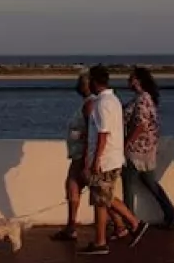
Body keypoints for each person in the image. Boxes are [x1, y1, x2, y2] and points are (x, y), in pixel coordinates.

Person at [78, 65, 149, 256]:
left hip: (106, 160)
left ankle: (133, 223)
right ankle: (101, 240)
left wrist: (95, 160)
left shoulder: (104, 103)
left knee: (103, 199)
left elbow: (103, 134)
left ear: (94, 81)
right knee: (102, 200)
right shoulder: (112, 100)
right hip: (110, 158)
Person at [52, 73, 128, 242]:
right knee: (95, 192)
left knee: (94, 192)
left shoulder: (91, 105)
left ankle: (125, 223)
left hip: (83, 155)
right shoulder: (95, 103)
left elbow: (95, 134)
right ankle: (118, 224)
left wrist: (89, 160)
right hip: (83, 154)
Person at [123, 66, 174, 228]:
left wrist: (126, 143)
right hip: (147, 150)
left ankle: (129, 221)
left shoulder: (142, 99)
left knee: (128, 184)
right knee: (150, 183)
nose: (128, 81)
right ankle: (171, 214)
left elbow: (140, 125)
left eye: (131, 78)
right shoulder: (146, 98)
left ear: (138, 81)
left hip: (136, 150)